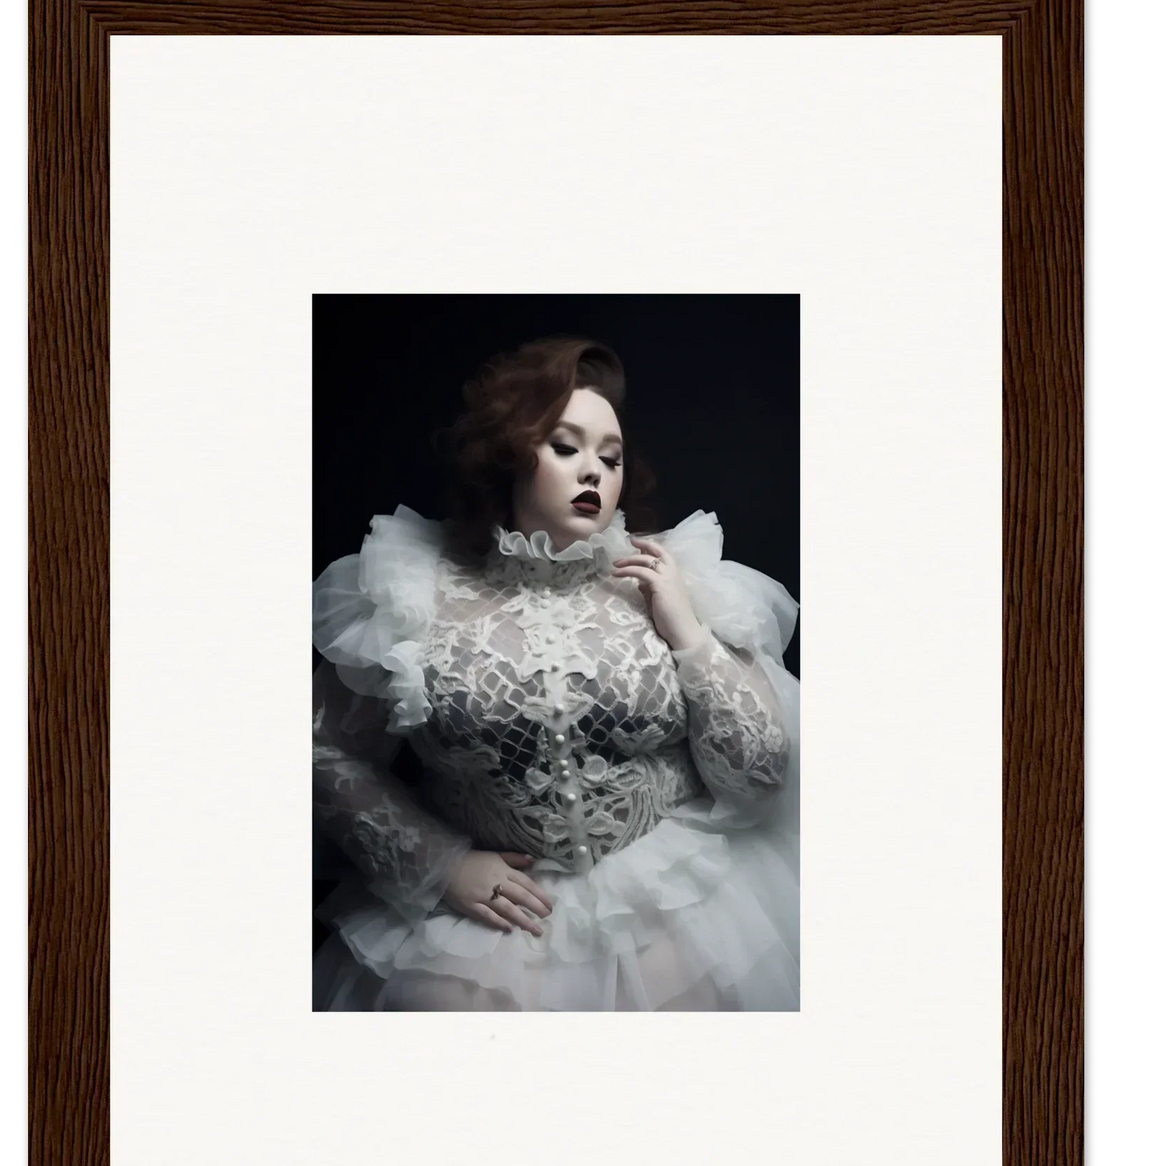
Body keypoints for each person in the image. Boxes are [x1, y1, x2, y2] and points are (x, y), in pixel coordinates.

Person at [310, 336, 800, 1011]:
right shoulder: (409, 592)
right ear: (509, 455)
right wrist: (436, 863)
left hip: (680, 905)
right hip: (486, 935)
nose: (592, 472)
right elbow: (318, 743)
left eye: (610, 456)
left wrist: (685, 628)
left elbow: (760, 772)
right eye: (565, 447)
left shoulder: (677, 577)